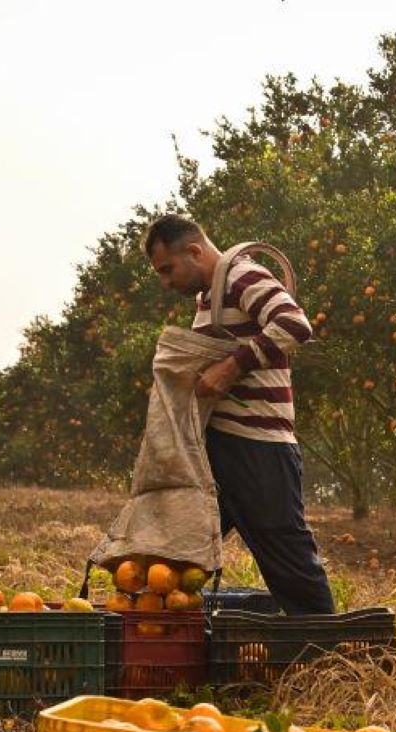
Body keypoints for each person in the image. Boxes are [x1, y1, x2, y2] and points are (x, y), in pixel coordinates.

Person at [144, 215, 335, 614]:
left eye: (167, 269)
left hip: (258, 448)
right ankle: (167, 641)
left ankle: (332, 659)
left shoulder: (241, 275)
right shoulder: (208, 299)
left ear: (194, 251)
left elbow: (293, 323)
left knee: (287, 558)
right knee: (179, 553)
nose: (165, 282)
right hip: (223, 448)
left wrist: (229, 368)